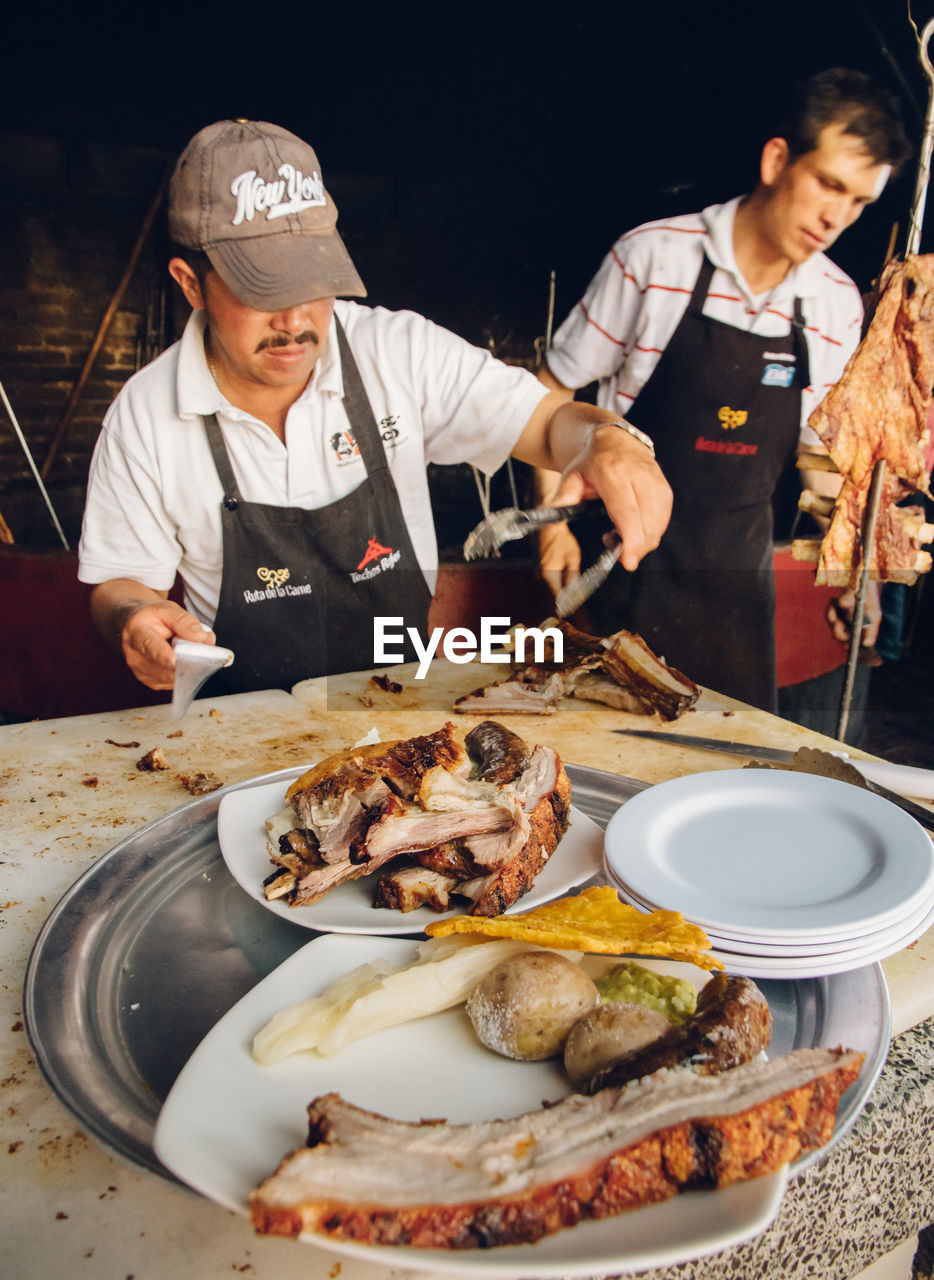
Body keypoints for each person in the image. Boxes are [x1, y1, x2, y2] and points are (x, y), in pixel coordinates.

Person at [78, 119, 672, 695]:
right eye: (261, 289)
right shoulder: (145, 415)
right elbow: (120, 582)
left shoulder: (396, 352)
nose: (295, 322)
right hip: (237, 729)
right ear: (190, 283)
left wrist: (607, 440)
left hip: (400, 709)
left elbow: (546, 424)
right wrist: (136, 617)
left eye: (312, 282)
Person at [535, 69, 910, 715]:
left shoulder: (834, 303)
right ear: (776, 159)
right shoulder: (654, 258)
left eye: (858, 202)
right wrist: (551, 530)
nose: (836, 216)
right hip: (622, 574)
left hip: (738, 595)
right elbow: (551, 389)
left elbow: (815, 456)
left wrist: (859, 567)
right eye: (828, 184)